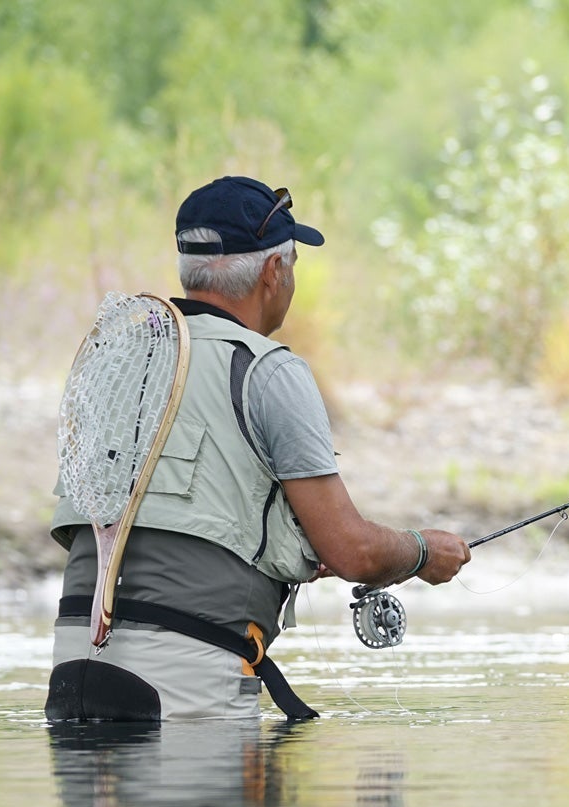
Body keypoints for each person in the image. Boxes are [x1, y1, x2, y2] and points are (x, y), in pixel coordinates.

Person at [46, 176, 470, 723]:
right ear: (274, 272)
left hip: (72, 663)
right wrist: (421, 551)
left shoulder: (112, 359)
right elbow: (352, 553)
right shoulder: (269, 371)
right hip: (185, 676)